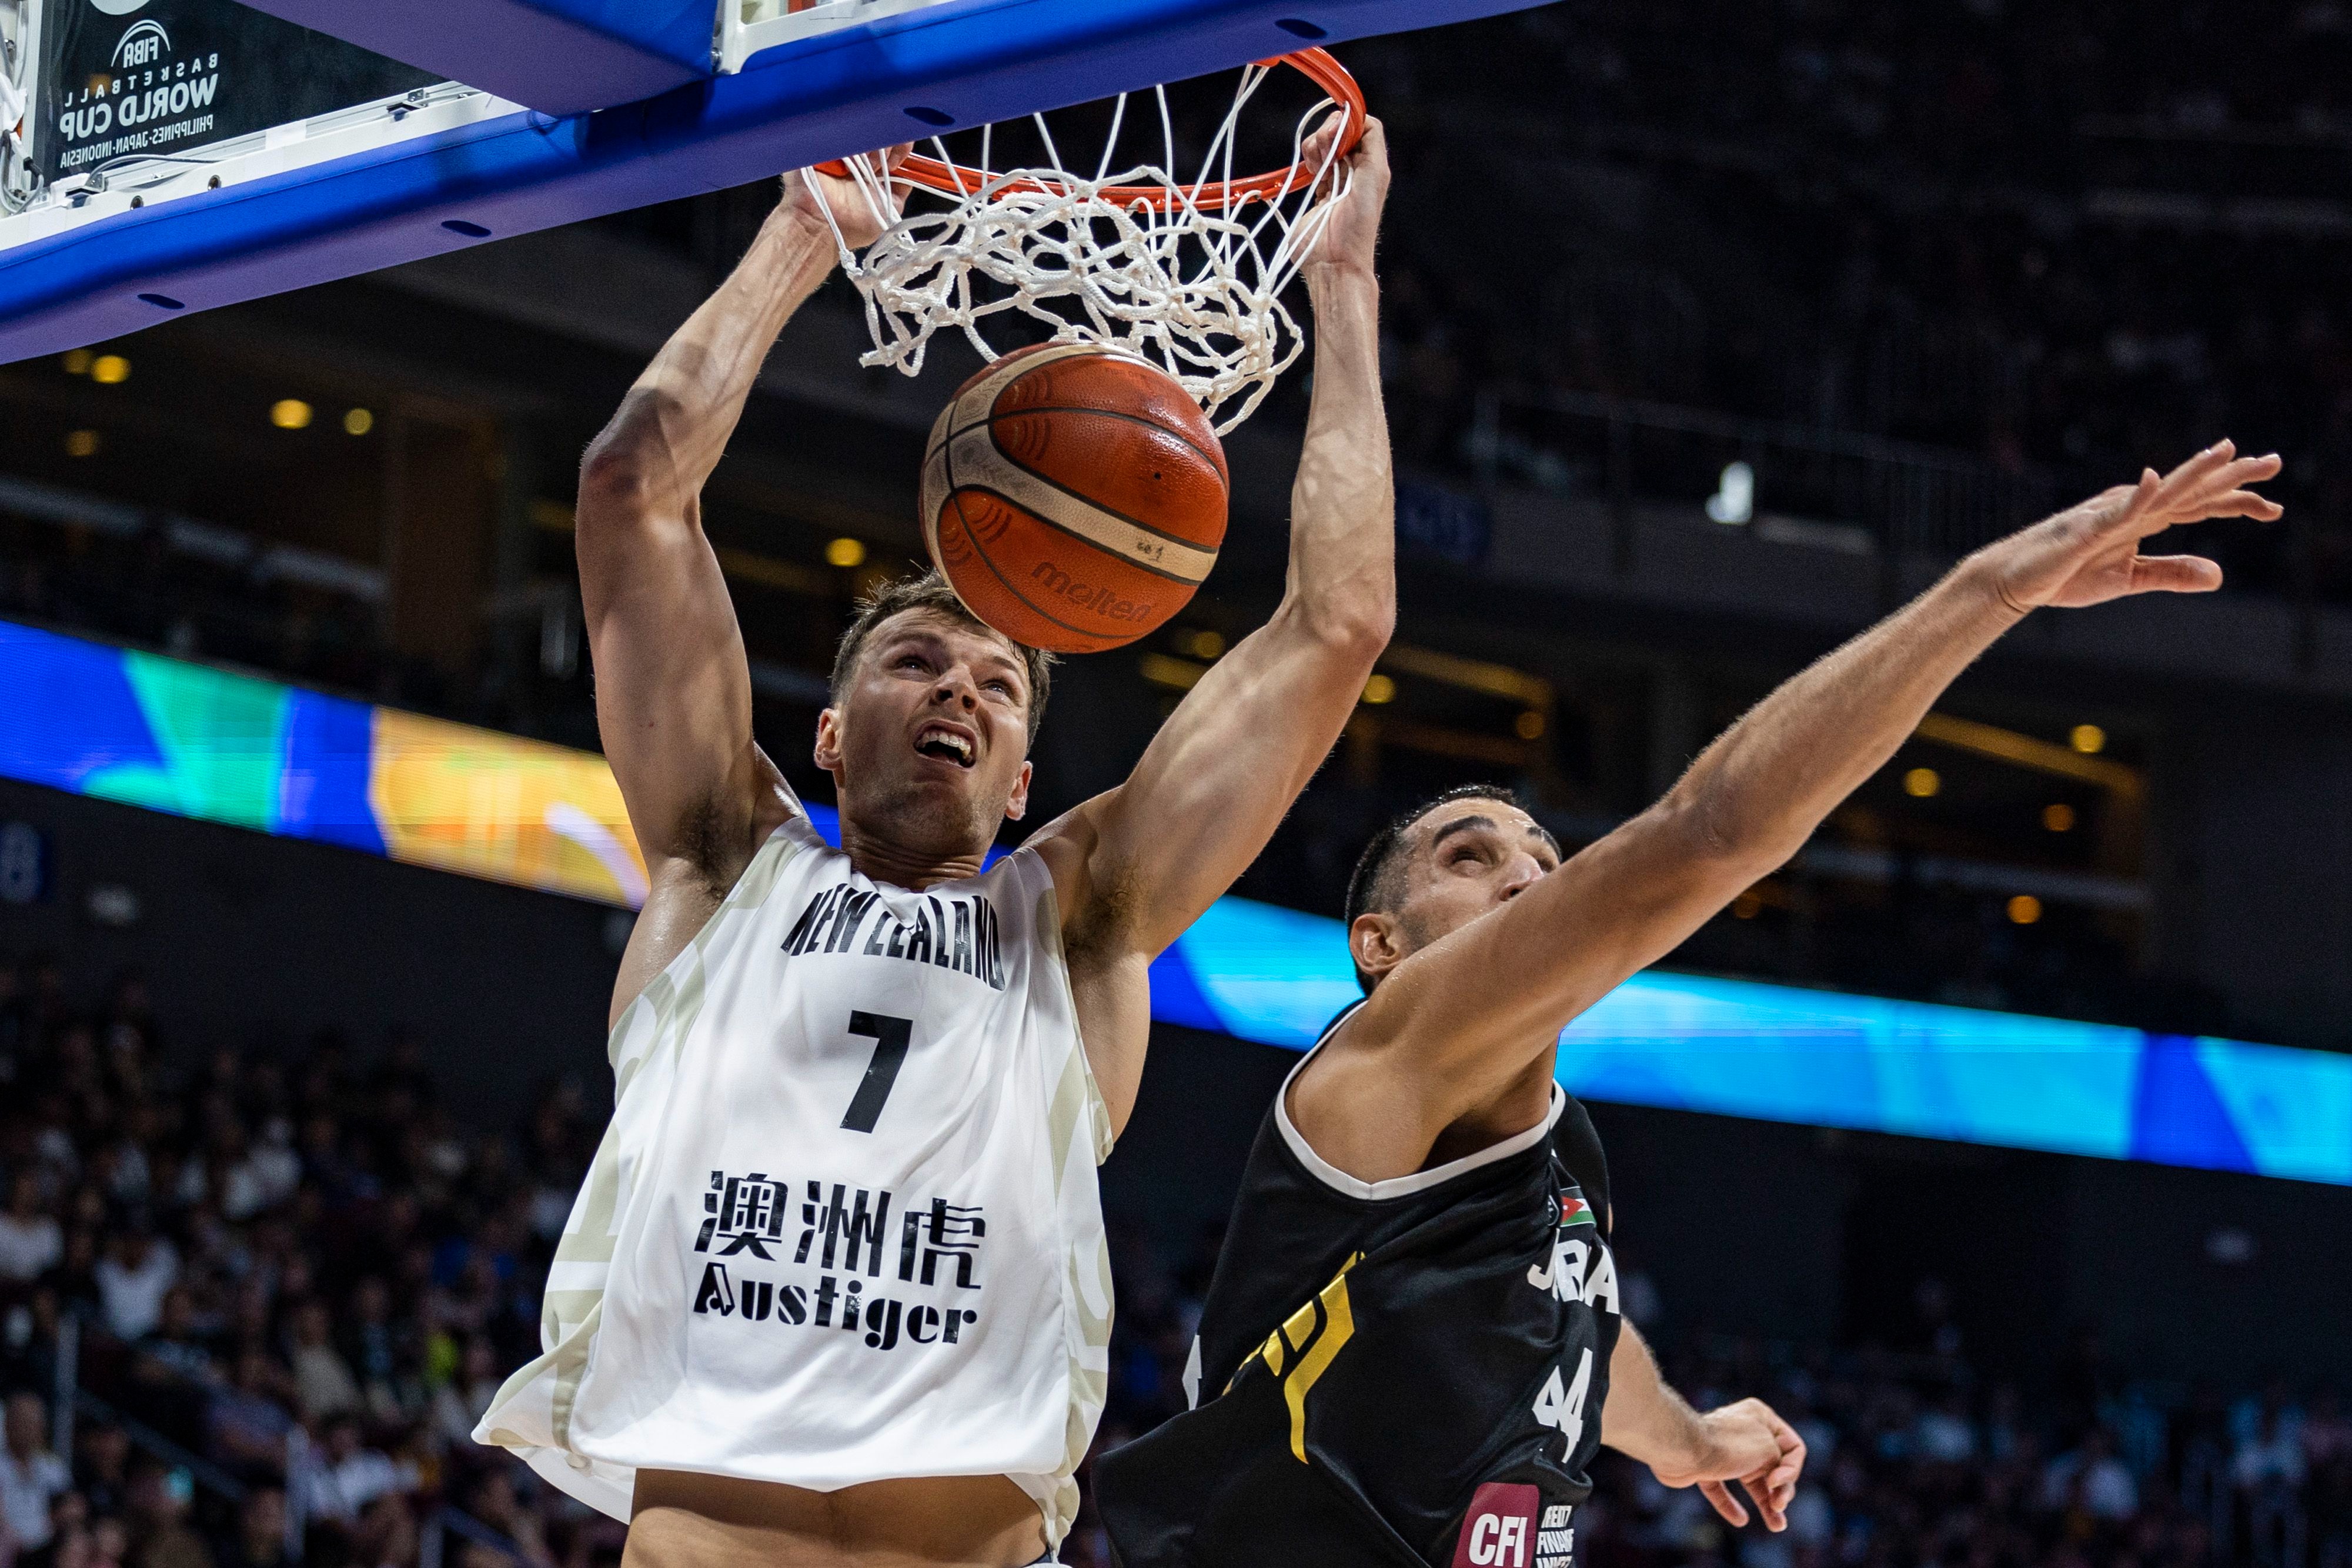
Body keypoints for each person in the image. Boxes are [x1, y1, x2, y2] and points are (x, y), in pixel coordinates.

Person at [1094, 442, 2282, 1567]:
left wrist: (1689, 1438)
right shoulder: (1380, 1062)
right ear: (1378, 946)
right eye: (1469, 855)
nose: (1525, 874)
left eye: (1544, 858)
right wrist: (1983, 591)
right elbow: (1710, 833)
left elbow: (1573, 1335)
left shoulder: (1560, 1149)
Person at [476, 119, 1396, 1567]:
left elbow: (1338, 627)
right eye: (914, 658)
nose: (958, 685)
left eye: (995, 681)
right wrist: (804, 231)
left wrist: (1341, 291)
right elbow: (628, 492)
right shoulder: (727, 870)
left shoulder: (1082, 920)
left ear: (1024, 776)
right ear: (830, 733)